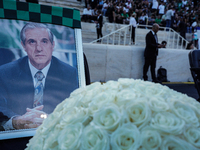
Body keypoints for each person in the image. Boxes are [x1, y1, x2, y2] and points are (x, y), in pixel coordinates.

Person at [0, 23, 78, 130]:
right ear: (23, 46)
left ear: (53, 45)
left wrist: (54, 120)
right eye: (32, 42)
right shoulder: (4, 73)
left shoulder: (72, 74)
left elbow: (76, 110)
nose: (39, 48)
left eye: (44, 41)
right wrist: (16, 121)